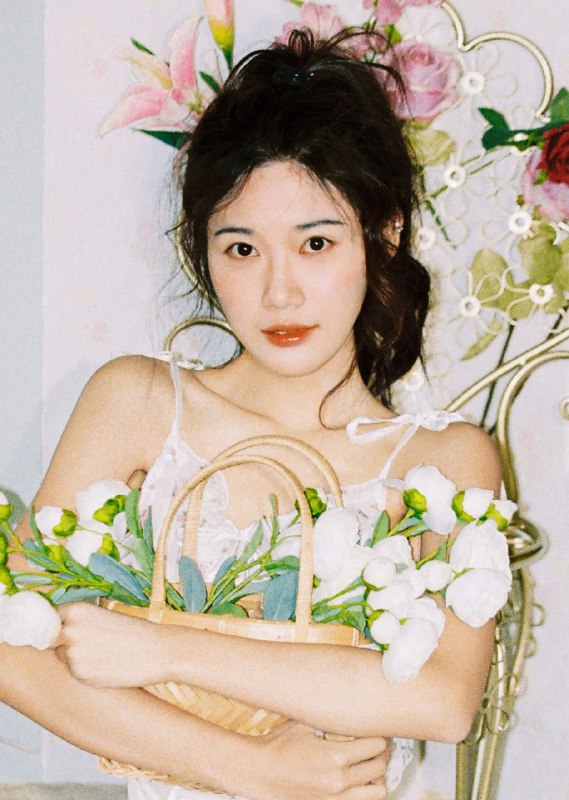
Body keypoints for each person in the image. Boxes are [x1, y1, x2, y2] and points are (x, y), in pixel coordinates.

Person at [2, 29, 501, 800]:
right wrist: (253, 768)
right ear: (203, 251)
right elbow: (13, 647)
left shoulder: (445, 461)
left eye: (315, 243)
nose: (279, 292)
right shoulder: (137, 402)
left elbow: (442, 702)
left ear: (384, 233)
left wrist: (164, 651)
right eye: (241, 249)